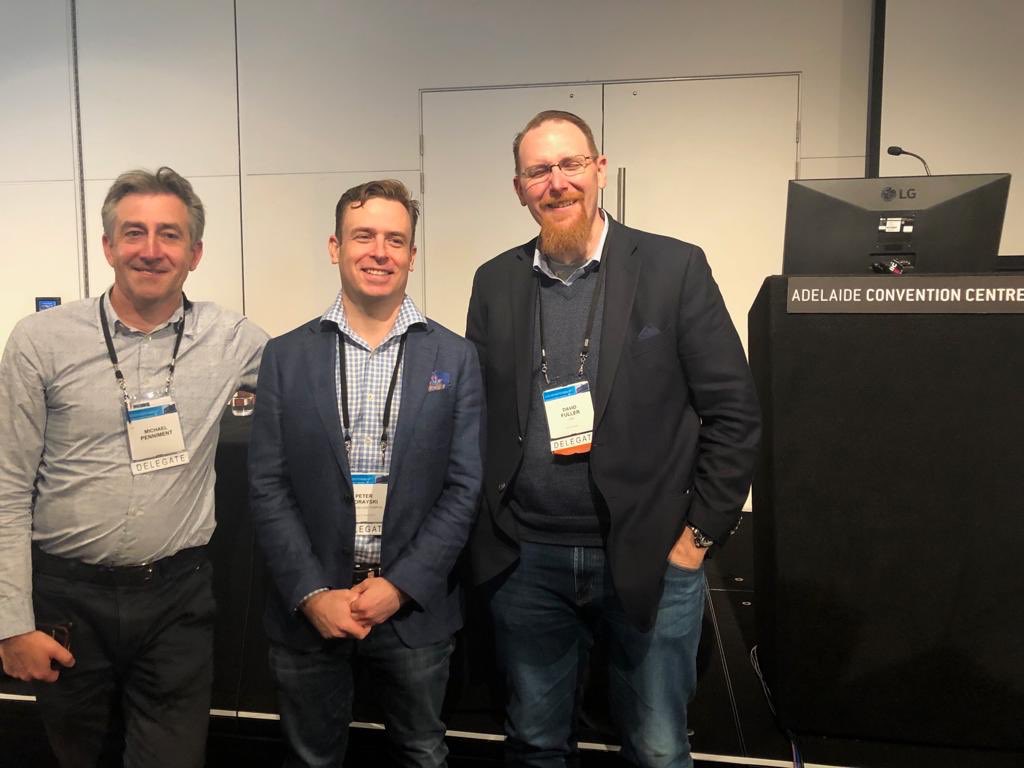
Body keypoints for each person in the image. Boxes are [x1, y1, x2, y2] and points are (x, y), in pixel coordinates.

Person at [465, 110, 761, 768]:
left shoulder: (673, 268)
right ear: (519, 188)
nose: (557, 182)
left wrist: (697, 540)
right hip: (527, 559)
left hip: (652, 554)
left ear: (600, 170)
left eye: (570, 164)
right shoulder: (495, 280)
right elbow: (476, 413)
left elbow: (734, 413)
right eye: (539, 171)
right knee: (534, 744)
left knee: (657, 748)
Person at [0, 166, 268, 767]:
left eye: (170, 234)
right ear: (108, 246)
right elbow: (6, 488)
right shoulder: (40, 341)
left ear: (195, 253)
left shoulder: (234, 339)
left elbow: (314, 378)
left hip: (177, 601)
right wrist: (10, 624)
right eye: (134, 233)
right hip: (67, 601)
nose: (151, 250)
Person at [248, 179, 483, 767]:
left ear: (412, 255)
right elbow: (268, 486)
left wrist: (400, 585)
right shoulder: (285, 356)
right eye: (364, 236)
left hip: (413, 609)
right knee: (311, 758)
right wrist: (311, 593)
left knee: (423, 753)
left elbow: (463, 488)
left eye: (395, 240)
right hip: (312, 608)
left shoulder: (455, 357)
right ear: (335, 247)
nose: (380, 252)